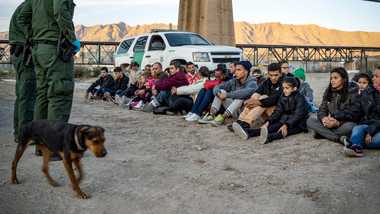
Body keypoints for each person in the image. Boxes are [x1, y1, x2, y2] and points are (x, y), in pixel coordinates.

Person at [18, 0, 79, 123]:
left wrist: (35, 36)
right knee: (60, 94)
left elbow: (22, 18)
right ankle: (54, 140)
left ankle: (40, 139)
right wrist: (71, 39)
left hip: (39, 50)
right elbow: (60, 11)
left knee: (43, 94)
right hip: (55, 50)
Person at [232, 77, 309, 144]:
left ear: (294, 88)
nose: (284, 90)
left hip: (298, 123)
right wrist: (268, 122)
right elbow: (278, 111)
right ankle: (247, 132)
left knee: (281, 132)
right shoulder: (283, 96)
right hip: (285, 119)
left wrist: (286, 125)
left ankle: (268, 138)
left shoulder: (300, 98)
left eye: (287, 88)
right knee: (269, 128)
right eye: (283, 88)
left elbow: (298, 115)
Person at [199, 61, 257, 126]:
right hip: (232, 110)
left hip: (243, 112)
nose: (236, 72)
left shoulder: (252, 82)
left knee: (240, 98)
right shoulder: (234, 81)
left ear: (246, 71)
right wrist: (218, 93)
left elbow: (245, 92)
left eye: (239, 70)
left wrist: (227, 95)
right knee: (221, 91)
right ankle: (212, 115)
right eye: (236, 70)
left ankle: (222, 118)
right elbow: (217, 86)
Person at [307, 67, 356, 143]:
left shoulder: (351, 93)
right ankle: (338, 138)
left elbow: (352, 114)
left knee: (351, 126)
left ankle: (323, 133)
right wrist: (324, 119)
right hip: (330, 123)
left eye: (335, 78)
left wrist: (337, 123)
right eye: (331, 78)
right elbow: (322, 110)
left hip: (342, 124)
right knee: (310, 120)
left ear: (344, 79)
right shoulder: (329, 91)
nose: (332, 80)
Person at [9, 2, 36, 144]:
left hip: (20, 53)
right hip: (25, 54)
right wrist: (32, 38)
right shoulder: (33, 4)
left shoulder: (28, 4)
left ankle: (19, 132)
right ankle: (24, 135)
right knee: (28, 96)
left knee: (23, 95)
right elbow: (23, 20)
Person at [342, 67, 380, 157]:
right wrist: (334, 116)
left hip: (376, 127)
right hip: (370, 125)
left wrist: (370, 132)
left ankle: (354, 142)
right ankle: (356, 148)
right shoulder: (369, 92)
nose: (373, 78)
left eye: (376, 76)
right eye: (373, 76)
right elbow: (358, 111)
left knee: (375, 140)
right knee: (358, 128)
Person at [232, 63, 283, 129]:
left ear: (280, 74)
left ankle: (246, 123)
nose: (273, 78)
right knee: (255, 98)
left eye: (276, 75)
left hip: (278, 114)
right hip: (267, 113)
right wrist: (251, 101)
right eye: (271, 75)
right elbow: (257, 92)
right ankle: (240, 121)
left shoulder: (284, 82)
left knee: (263, 97)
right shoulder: (267, 82)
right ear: (268, 74)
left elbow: (275, 99)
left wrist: (258, 102)